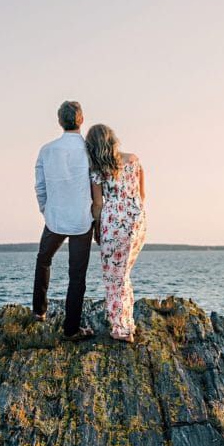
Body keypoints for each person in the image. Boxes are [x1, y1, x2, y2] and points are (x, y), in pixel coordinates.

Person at [32, 100, 95, 340]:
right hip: (82, 219)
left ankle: (39, 311)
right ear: (81, 119)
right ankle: (71, 329)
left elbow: (40, 185)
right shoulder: (89, 149)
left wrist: (45, 210)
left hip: (55, 218)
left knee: (43, 260)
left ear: (60, 121)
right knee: (77, 276)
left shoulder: (47, 150)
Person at [86, 124, 146, 343]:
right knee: (124, 275)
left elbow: (98, 205)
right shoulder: (134, 160)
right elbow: (142, 194)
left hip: (113, 224)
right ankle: (127, 322)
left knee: (114, 277)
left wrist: (97, 230)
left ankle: (121, 329)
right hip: (136, 221)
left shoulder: (97, 171)